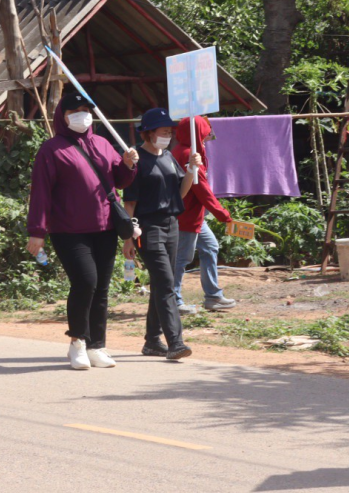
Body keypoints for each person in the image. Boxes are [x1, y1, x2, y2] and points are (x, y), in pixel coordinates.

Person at [27, 91, 139, 370]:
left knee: (101, 287)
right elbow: (40, 192)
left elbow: (120, 182)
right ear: (62, 116)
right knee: (85, 282)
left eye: (86, 109)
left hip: (105, 227)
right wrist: (37, 231)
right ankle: (77, 342)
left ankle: (97, 346)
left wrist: (128, 164)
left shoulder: (103, 143)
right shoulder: (51, 150)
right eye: (74, 110)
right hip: (68, 230)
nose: (82, 114)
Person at [122, 108, 203, 361]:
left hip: (172, 225)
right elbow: (130, 203)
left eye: (170, 131)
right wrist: (127, 237)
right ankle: (175, 342)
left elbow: (180, 193)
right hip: (148, 228)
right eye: (163, 130)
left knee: (160, 284)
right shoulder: (137, 161)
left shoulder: (168, 156)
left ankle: (152, 341)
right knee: (166, 284)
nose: (168, 134)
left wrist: (191, 170)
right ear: (148, 133)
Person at [172, 116, 237, 314]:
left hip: (195, 215)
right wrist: (224, 215)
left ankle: (213, 296)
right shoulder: (188, 155)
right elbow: (203, 191)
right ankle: (174, 301)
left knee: (210, 247)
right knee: (181, 259)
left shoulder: (190, 152)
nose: (209, 135)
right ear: (198, 131)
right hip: (186, 217)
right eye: (206, 130)